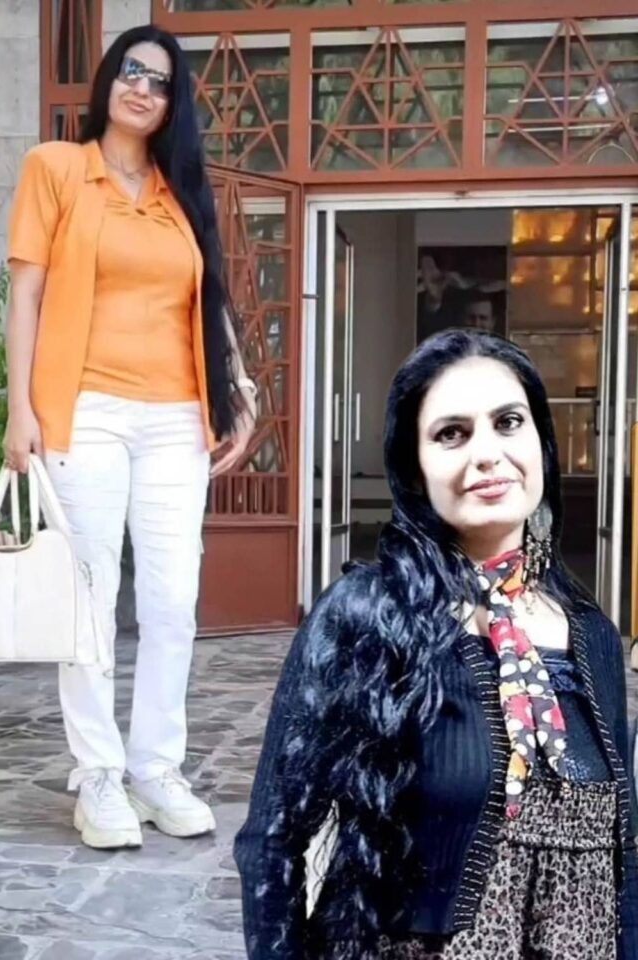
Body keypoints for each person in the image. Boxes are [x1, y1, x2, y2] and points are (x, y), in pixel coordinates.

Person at [234, 329, 638, 959]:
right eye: (452, 434)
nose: (488, 454)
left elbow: (625, 857)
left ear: (541, 443)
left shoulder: (594, 636)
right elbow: (272, 841)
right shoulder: (367, 614)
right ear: (415, 467)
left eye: (509, 422)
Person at [3, 25, 256, 850]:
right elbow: (26, 296)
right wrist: (19, 410)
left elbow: (208, 299)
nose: (142, 88)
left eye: (160, 81)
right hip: (87, 411)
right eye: (132, 72)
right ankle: (99, 776)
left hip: (177, 418)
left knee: (173, 600)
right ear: (109, 80)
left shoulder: (181, 191)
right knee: (89, 600)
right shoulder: (55, 169)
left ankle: (155, 768)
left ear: (173, 104)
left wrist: (240, 388)